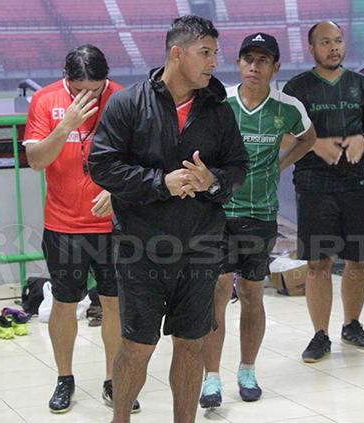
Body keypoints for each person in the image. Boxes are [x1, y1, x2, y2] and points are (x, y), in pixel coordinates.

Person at [89, 15, 248, 423]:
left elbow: (237, 167)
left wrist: (212, 180)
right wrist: (163, 183)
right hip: (142, 250)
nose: (214, 62)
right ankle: (120, 418)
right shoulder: (128, 103)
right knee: (137, 347)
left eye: (215, 52)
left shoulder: (218, 110)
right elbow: (102, 166)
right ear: (177, 54)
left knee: (192, 345)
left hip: (200, 249)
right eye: (205, 53)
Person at [199, 32, 316, 408]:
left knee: (251, 293)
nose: (254, 66)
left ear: (275, 67)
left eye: (263, 60)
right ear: (238, 64)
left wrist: (280, 164)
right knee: (218, 290)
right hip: (217, 213)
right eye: (248, 59)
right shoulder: (221, 104)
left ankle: (247, 370)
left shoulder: (287, 107)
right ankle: (211, 377)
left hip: (261, 215)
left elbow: (308, 138)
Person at [23, 44, 139, 413]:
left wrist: (116, 189)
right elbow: (37, 161)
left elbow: (142, 160)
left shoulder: (123, 100)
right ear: (66, 79)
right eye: (80, 90)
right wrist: (66, 125)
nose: (89, 96)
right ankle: (64, 378)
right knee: (64, 301)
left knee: (114, 302)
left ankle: (113, 378)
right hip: (63, 224)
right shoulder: (46, 100)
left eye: (96, 88)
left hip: (114, 224)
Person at [282, 21, 364, 362]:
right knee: (319, 263)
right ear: (311, 49)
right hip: (314, 186)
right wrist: (316, 145)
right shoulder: (297, 88)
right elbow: (284, 136)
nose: (334, 47)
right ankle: (320, 334)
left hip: (356, 184)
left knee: (358, 259)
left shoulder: (360, 84)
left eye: (338, 41)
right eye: (325, 42)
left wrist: (363, 139)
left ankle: (352, 325)